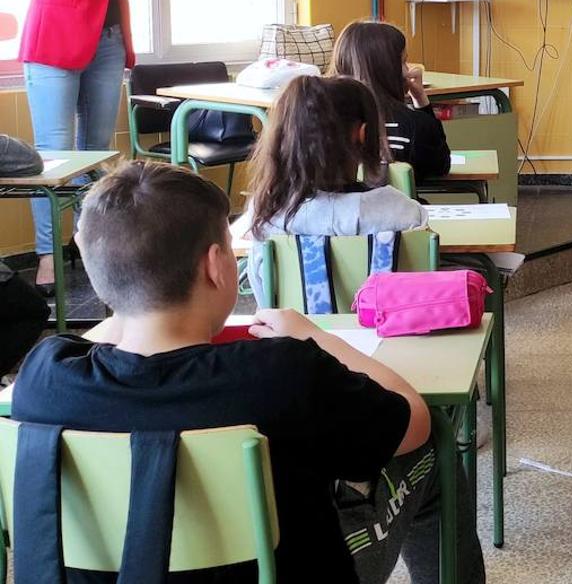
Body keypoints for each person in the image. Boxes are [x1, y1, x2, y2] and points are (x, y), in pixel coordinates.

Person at [11, 160, 485, 582]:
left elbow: (94, 338)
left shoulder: (43, 377)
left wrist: (124, 292)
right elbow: (412, 420)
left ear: (97, 271)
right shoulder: (282, 372)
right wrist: (318, 337)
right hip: (276, 569)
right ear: (217, 266)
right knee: (434, 444)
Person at [19, 0, 155, 294]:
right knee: (53, 157)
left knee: (96, 151)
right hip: (55, 49)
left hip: (108, 43)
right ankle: (47, 255)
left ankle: (90, 245)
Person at [237, 75, 428, 306]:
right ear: (363, 133)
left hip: (293, 339)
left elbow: (264, 296)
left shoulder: (267, 213)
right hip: (387, 339)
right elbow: (420, 286)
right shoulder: (404, 213)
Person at [329, 18, 452, 182]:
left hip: (338, 207)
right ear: (390, 70)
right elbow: (440, 166)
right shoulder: (415, 125)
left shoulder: (324, 120)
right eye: (403, 62)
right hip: (397, 207)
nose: (408, 69)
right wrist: (422, 101)